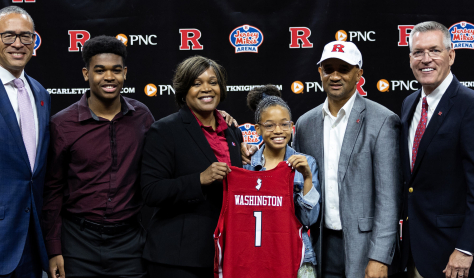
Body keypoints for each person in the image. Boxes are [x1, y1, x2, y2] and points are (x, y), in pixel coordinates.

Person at [42, 35, 154, 278]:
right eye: (99, 70)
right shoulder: (62, 124)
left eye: (116, 70)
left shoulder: (142, 117)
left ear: (125, 73)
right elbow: (52, 191)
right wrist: (53, 250)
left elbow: (169, 155)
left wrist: (218, 121)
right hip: (76, 243)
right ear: (86, 74)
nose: (109, 77)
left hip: (129, 242)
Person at [293, 41, 401, 278]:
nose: (335, 75)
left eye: (343, 69)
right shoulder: (305, 124)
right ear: (319, 72)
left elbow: (389, 198)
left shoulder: (382, 120)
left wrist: (380, 257)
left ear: (358, 74)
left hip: (366, 248)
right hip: (321, 245)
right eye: (328, 68)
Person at [140, 55, 243, 278]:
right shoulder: (165, 130)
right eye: (197, 83)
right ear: (183, 90)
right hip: (178, 259)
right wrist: (199, 180)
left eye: (213, 82)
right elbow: (151, 191)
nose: (206, 89)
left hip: (224, 253)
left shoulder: (232, 131)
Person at [0, 6, 50, 278]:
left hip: (31, 243)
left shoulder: (40, 92)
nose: (18, 44)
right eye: (8, 36)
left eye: (26, 36)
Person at [400, 21, 474, 278]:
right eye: (418, 52)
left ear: (451, 55)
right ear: (410, 58)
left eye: (435, 50)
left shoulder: (468, 105)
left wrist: (466, 249)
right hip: (411, 251)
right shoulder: (409, 103)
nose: (425, 59)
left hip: (452, 254)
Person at [242, 85, 320, 278]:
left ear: (291, 126)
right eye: (269, 125)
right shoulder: (247, 166)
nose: (278, 131)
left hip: (299, 256)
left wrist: (308, 177)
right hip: (257, 255)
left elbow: (310, 220)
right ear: (258, 129)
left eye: (284, 124)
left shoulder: (307, 162)